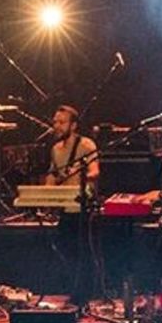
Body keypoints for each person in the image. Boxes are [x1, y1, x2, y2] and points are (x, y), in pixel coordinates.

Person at [43, 104, 101, 300]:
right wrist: (45, 195)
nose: (56, 126)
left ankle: (85, 294)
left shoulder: (86, 145)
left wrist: (84, 174)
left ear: (74, 125)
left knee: (83, 249)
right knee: (64, 246)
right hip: (66, 206)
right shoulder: (55, 149)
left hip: (83, 206)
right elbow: (53, 174)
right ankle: (77, 290)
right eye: (55, 122)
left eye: (62, 122)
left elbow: (95, 170)